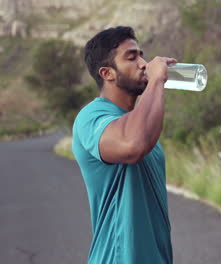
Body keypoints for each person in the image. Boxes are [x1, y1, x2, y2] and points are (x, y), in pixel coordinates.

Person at [72, 26, 176, 264]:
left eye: (142, 55)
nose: (143, 64)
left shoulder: (140, 126)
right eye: (131, 57)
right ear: (107, 73)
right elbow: (133, 144)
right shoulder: (91, 117)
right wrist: (156, 81)